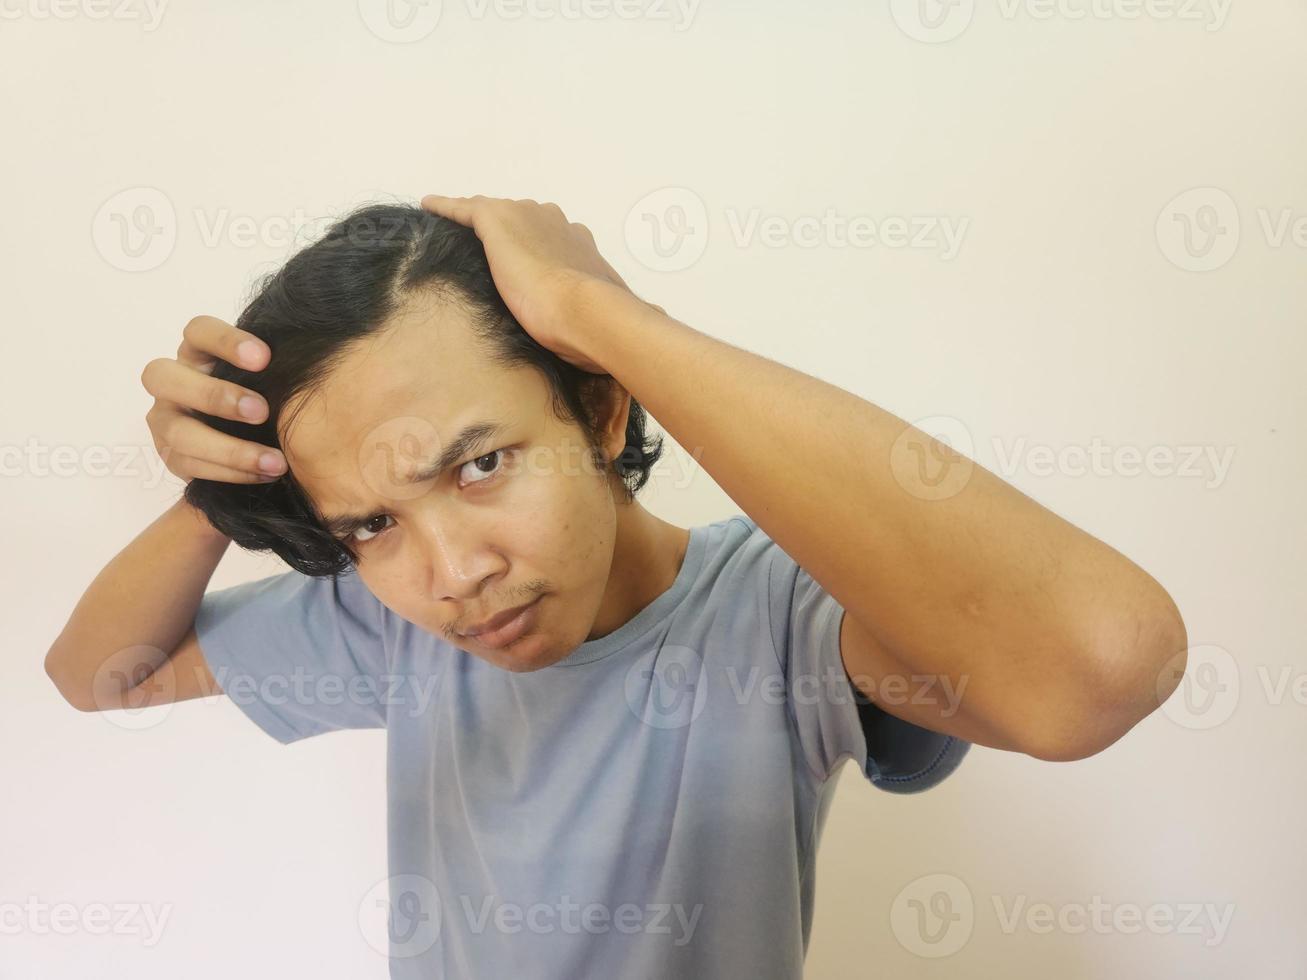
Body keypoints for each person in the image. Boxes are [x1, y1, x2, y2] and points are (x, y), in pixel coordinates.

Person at [46, 197, 1187, 977]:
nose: (452, 574)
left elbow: (1098, 665)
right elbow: (101, 675)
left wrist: (609, 318)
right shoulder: (390, 624)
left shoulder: (781, 618)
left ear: (599, 408)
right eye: (373, 520)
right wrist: (224, 484)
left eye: (480, 462)